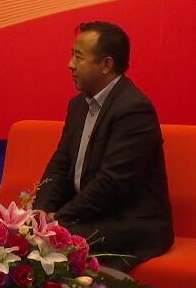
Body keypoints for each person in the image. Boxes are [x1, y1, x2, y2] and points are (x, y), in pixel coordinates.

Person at [33, 21, 173, 271]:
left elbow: (112, 182)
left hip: (131, 223)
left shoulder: (133, 109)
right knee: (26, 234)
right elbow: (60, 164)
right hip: (90, 215)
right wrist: (41, 211)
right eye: (71, 55)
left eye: (79, 57)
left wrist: (60, 219)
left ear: (106, 64)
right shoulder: (78, 105)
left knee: (51, 243)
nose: (70, 65)